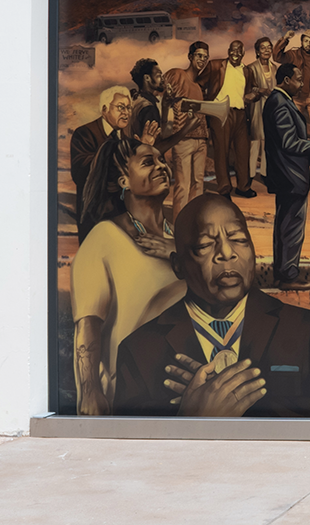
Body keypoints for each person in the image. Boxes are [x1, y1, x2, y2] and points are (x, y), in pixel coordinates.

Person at [111, 195, 310, 417]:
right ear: (177, 265)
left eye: (239, 239)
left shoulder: (309, 331)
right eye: (205, 245)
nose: (227, 253)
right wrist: (190, 419)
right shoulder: (139, 351)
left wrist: (239, 407)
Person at [71, 136, 184, 415]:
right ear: (123, 181)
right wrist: (90, 392)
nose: (161, 167)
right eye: (148, 162)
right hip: (132, 390)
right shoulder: (104, 238)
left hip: (187, 389)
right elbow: (88, 325)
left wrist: (178, 252)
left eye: (162, 160)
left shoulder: (181, 238)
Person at [263, 62, 310, 291]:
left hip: (286, 175)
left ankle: (284, 272)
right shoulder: (280, 104)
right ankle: (289, 277)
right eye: (298, 79)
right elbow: (289, 142)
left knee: (286, 225)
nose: (302, 84)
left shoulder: (279, 101)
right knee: (291, 227)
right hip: (290, 175)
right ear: (285, 81)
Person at [164, 42, 218, 221]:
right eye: (199, 55)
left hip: (201, 140)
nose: (202, 60)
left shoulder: (198, 87)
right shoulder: (178, 75)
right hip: (184, 139)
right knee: (183, 186)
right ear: (190, 57)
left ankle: (193, 223)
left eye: (205, 56)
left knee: (198, 184)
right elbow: (165, 98)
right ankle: (179, 224)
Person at [70, 85, 133, 229]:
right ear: (105, 109)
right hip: (93, 216)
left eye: (129, 108)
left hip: (121, 214)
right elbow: (80, 174)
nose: (126, 113)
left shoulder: (124, 137)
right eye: (121, 107)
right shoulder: (84, 133)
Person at [206, 39, 257, 198]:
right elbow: (200, 83)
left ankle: (243, 187)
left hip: (241, 114)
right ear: (228, 51)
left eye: (238, 51)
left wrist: (254, 95)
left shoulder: (247, 71)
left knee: (243, 152)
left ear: (243, 53)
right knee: (222, 152)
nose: (235, 54)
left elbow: (253, 90)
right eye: (232, 50)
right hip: (221, 113)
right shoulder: (215, 66)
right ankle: (224, 189)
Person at [273, 31, 310, 135]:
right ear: (301, 41)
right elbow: (277, 57)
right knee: (296, 126)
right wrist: (285, 38)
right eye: (306, 41)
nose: (308, 44)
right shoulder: (293, 54)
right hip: (297, 97)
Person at [244, 38, 277, 180]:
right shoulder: (251, 68)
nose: (266, 50)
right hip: (256, 107)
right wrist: (261, 90)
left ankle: (265, 173)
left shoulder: (275, 68)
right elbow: (247, 88)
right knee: (255, 141)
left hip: (271, 108)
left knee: (268, 141)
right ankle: (250, 173)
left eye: (269, 48)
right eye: (263, 48)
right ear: (257, 51)